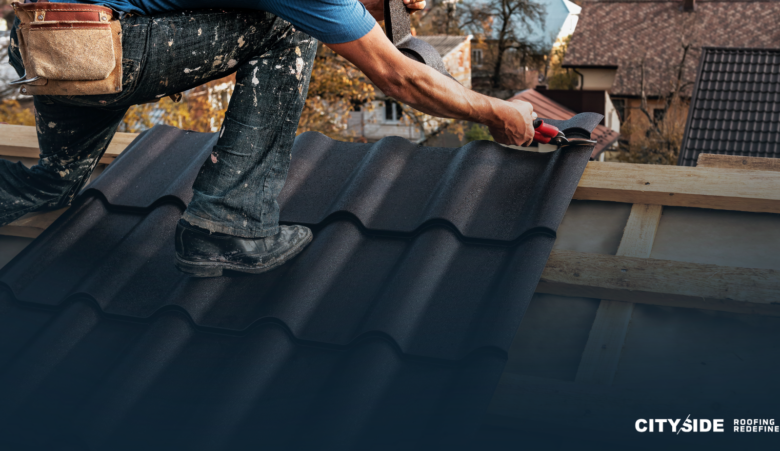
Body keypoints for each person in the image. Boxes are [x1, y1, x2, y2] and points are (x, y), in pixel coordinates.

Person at [2, 0, 537, 277]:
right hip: (102, 51)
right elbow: (397, 76)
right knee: (291, 28)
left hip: (44, 48)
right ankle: (229, 224)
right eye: (384, 8)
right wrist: (499, 112)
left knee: (52, 186)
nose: (375, 16)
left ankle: (37, 185)